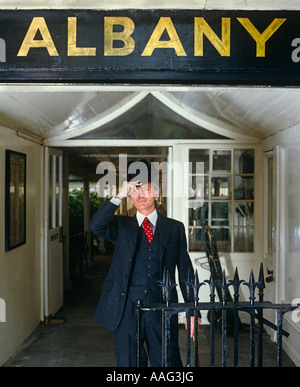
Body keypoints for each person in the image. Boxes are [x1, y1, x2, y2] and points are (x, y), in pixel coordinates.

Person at [89, 179, 200, 367]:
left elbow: (185, 270)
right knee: (129, 365)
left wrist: (192, 310)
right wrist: (119, 195)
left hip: (163, 309)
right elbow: (96, 226)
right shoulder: (121, 225)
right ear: (130, 198)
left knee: (167, 364)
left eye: (146, 190)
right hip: (126, 310)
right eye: (134, 192)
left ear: (157, 195)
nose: (140, 196)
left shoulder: (174, 228)